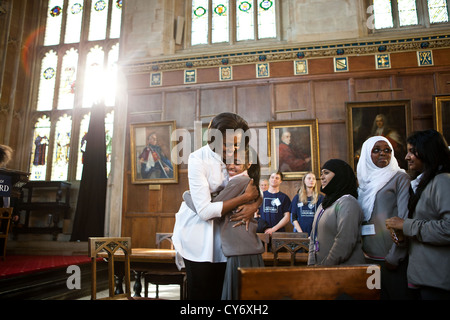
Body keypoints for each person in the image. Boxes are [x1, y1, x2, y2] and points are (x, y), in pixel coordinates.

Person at [171, 112, 261, 300]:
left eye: (236, 143)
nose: (231, 149)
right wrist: (245, 198)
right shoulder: (198, 158)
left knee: (223, 292)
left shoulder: (241, 155)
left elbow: (253, 184)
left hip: (226, 233)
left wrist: (255, 203)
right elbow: (204, 211)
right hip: (199, 231)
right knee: (202, 292)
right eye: (226, 143)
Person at [183, 147, 265, 300]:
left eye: (237, 162)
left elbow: (209, 210)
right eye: (228, 162)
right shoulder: (248, 181)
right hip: (246, 247)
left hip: (239, 250)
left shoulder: (239, 181)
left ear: (249, 163)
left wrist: (187, 196)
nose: (230, 166)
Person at [386, 129, 450, 300]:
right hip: (424, 277)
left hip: (438, 281)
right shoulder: (424, 182)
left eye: (412, 151)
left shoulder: (443, 181)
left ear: (428, 152)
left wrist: (405, 225)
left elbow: (448, 228)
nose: (406, 157)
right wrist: (403, 234)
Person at [357, 136, 411, 300]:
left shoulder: (399, 178)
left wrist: (395, 256)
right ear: (367, 154)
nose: (383, 154)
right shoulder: (363, 183)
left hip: (391, 258)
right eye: (376, 150)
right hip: (368, 258)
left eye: (387, 150)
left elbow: (404, 218)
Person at [308, 159, 365, 266]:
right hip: (322, 272)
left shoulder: (347, 202)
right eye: (321, 173)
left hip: (343, 272)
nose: (322, 177)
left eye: (326, 173)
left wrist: (325, 267)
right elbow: (313, 237)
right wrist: (311, 264)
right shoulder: (323, 204)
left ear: (339, 175)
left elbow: (344, 242)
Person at [290, 172, 323, 236]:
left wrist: (314, 235)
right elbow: (293, 218)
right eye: (309, 178)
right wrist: (301, 234)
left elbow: (322, 218)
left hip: (316, 234)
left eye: (313, 179)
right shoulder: (297, 197)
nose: (311, 180)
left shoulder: (320, 198)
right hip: (300, 233)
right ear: (304, 181)